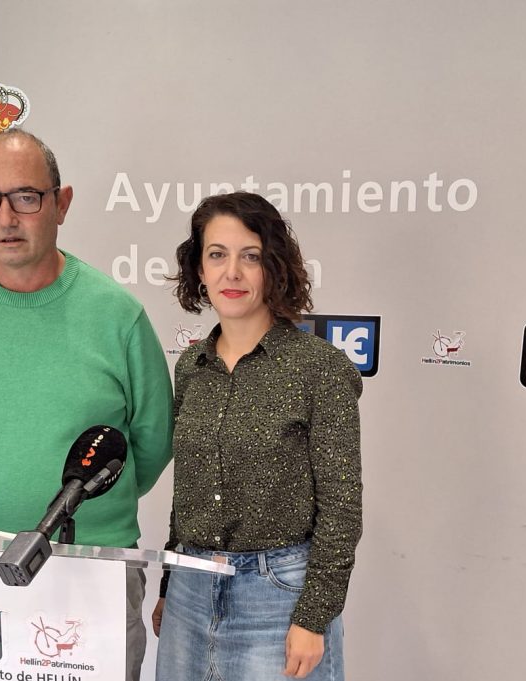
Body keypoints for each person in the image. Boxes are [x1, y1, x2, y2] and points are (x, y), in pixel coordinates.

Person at [0, 128, 173, 680]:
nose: (6, 217)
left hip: (92, 566)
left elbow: (150, 441)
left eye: (26, 197)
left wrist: (92, 504)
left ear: (61, 204)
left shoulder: (117, 315)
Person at [152, 192, 363, 680]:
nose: (232, 273)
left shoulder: (319, 368)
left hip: (277, 596)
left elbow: (341, 507)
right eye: (217, 255)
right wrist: (168, 584)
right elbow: (188, 492)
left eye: (250, 256)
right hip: (189, 588)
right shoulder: (191, 367)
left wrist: (314, 617)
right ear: (199, 269)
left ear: (273, 267)